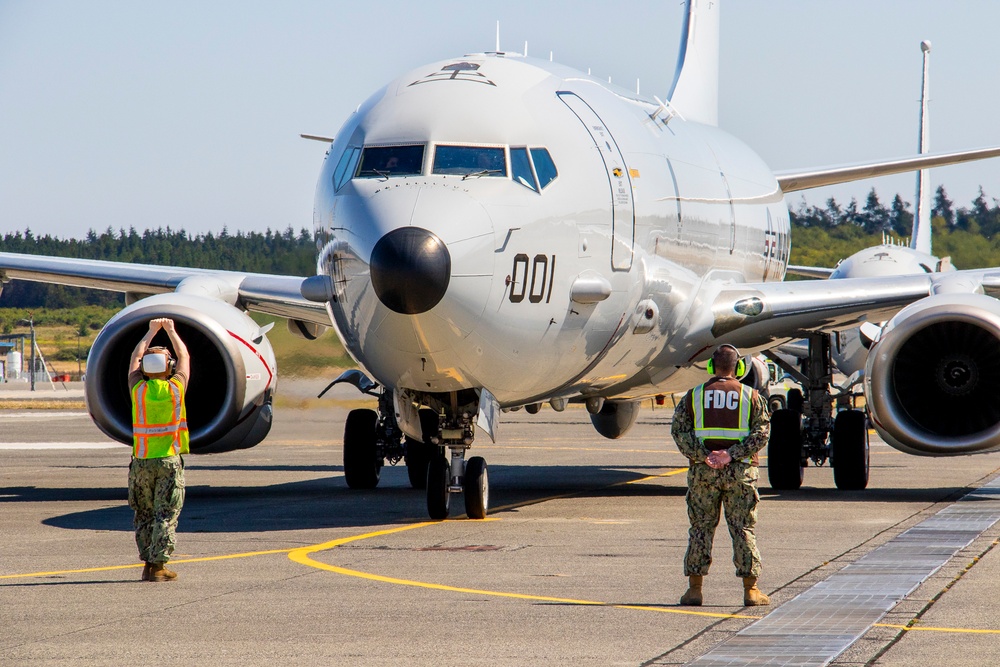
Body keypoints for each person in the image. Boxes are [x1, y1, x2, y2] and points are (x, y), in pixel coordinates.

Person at [671, 343, 771, 606]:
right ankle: (751, 590)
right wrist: (731, 454)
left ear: (711, 367)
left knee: (701, 529)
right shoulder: (751, 396)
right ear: (739, 367)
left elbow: (679, 432)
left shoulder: (693, 396)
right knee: (743, 529)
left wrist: (705, 455)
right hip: (740, 473)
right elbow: (761, 433)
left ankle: (694, 589)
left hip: (704, 473)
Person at [127, 317, 191, 582]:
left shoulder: (138, 389)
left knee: (144, 514)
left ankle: (148, 564)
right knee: (165, 513)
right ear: (170, 367)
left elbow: (134, 359)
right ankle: (159, 565)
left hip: (141, 462)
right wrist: (171, 332)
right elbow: (185, 356)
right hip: (167, 461)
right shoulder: (175, 389)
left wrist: (150, 333)